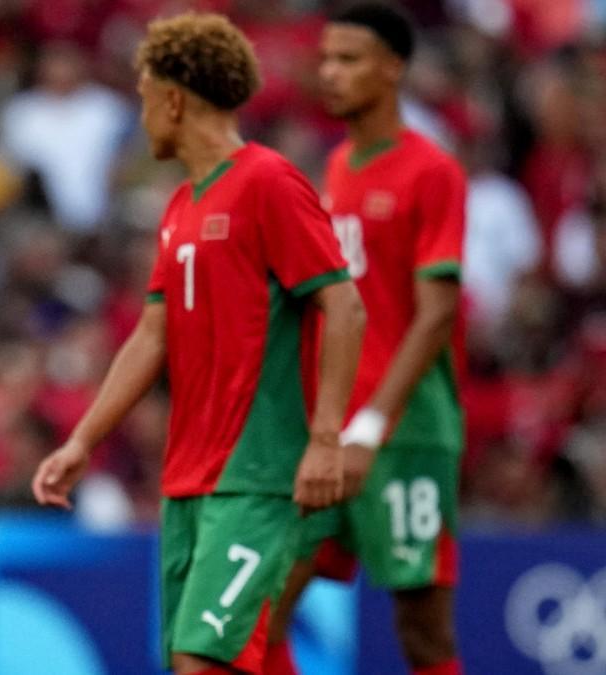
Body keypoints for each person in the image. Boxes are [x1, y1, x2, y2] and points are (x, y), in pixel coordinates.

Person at [31, 13, 366, 675]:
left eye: (146, 95)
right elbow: (151, 335)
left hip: (256, 474)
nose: (143, 112)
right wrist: (83, 441)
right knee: (254, 656)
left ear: (174, 99)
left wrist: (327, 438)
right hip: (188, 478)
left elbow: (344, 303)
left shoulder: (268, 182)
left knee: (201, 659)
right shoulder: (181, 204)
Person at [263, 5, 467, 675]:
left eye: (349, 59)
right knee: (266, 606)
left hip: (403, 434)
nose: (330, 72)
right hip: (332, 432)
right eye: (325, 58)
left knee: (422, 629)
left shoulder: (431, 171)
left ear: (394, 68)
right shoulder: (338, 167)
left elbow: (435, 313)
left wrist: (370, 427)